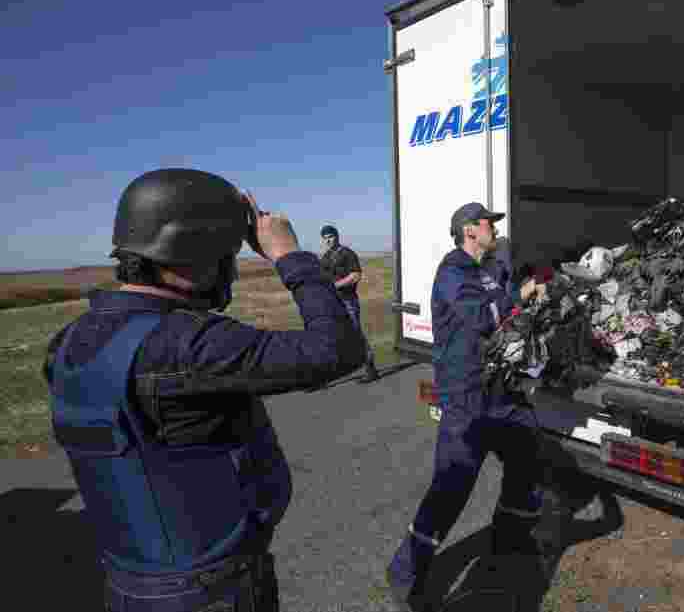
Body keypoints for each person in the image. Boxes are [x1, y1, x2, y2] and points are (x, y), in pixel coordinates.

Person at [42, 168, 367, 611]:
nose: (231, 269)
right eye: (227, 254)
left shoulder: (68, 342)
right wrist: (289, 254)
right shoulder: (190, 342)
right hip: (211, 588)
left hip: (130, 583)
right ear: (195, 253)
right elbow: (338, 349)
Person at [386, 202, 547, 611]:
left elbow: (506, 296)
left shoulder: (492, 267)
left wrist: (533, 288)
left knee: (527, 456)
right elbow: (480, 315)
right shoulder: (453, 271)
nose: (494, 229)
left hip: (500, 391)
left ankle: (511, 540)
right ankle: (405, 573)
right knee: (452, 486)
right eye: (488, 224)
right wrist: (519, 297)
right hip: (465, 396)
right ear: (468, 230)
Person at [319, 224, 380, 383]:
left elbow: (355, 276)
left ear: (337, 236)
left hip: (347, 301)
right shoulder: (325, 257)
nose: (328, 240)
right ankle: (329, 371)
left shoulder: (347, 254)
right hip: (332, 302)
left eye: (330, 237)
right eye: (325, 238)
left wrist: (335, 285)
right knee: (332, 335)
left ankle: (370, 368)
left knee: (355, 334)